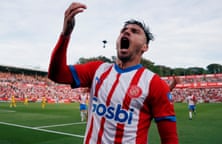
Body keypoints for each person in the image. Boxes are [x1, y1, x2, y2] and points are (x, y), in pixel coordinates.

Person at [48, 2, 178, 144]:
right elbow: (57, 74)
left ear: (145, 47)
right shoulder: (97, 69)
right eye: (124, 30)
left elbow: (169, 138)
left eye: (135, 31)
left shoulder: (155, 84)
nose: (126, 32)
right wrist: (65, 35)